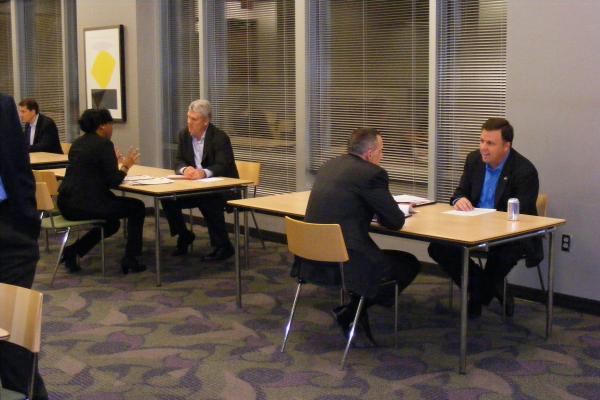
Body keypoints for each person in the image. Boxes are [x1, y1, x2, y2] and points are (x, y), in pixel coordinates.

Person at [291, 127, 421, 344]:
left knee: (382, 259)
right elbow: (395, 221)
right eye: (381, 150)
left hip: (311, 258)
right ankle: (352, 311)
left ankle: (355, 307)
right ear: (370, 154)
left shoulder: (329, 166)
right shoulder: (372, 174)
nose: (383, 155)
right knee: (407, 263)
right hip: (345, 260)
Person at [428, 117, 542, 318]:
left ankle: (477, 296)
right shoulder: (474, 160)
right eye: (481, 141)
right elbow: (459, 192)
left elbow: (523, 214)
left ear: (507, 146)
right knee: (438, 247)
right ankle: (492, 288)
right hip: (473, 228)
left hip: (510, 235)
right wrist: (459, 200)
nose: (483, 148)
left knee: (503, 254)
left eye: (490, 143)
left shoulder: (524, 171)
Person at [57, 109, 146, 274]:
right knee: (138, 207)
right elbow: (113, 181)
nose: (112, 128)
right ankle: (131, 258)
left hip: (66, 202)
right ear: (102, 126)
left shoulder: (78, 143)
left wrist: (112, 161)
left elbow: (92, 171)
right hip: (85, 203)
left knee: (111, 223)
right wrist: (126, 165)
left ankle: (73, 251)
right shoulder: (104, 144)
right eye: (111, 124)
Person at [0, 93, 48, 399]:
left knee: (11, 340)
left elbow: (18, 166)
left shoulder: (1, 107)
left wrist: (27, 224)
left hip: (8, 238)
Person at [161, 99, 239, 260]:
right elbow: (178, 161)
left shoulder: (219, 137)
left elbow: (223, 165)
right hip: (194, 188)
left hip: (222, 188)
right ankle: (184, 235)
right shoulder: (184, 135)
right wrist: (185, 169)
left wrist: (204, 173)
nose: (189, 122)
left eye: (194, 119)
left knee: (208, 200)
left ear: (206, 121)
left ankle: (223, 246)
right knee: (167, 197)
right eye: (188, 118)